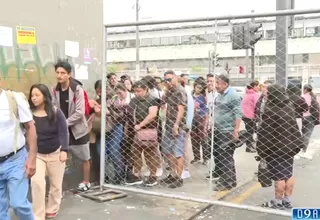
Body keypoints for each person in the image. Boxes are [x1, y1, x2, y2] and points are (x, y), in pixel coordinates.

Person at [257, 84, 303, 209]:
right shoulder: (289, 106)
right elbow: (294, 127)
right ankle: (287, 200)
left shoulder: (271, 109)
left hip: (275, 148)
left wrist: (261, 149)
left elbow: (265, 132)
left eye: (268, 93)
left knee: (278, 176)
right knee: (288, 174)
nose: (266, 96)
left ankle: (277, 202)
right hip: (289, 146)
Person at [29, 84, 69, 220]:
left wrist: (64, 150)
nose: (33, 98)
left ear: (45, 97)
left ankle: (52, 208)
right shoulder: (29, 114)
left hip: (55, 153)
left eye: (37, 95)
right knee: (37, 182)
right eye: (32, 95)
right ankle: (38, 214)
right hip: (38, 155)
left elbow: (64, 131)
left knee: (56, 185)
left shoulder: (56, 112)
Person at [0, 76, 37, 220]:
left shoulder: (14, 99)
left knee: (18, 204)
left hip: (14, 160)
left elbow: (30, 127)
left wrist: (32, 159)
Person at [52, 60, 91, 192]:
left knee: (85, 157)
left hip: (78, 130)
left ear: (69, 74)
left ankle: (86, 181)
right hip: (62, 132)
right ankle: (59, 186)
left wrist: (64, 123)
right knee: (60, 158)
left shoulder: (77, 89)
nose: (59, 75)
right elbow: (54, 108)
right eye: (57, 72)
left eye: (63, 73)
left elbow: (80, 112)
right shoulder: (55, 89)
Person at [125, 81, 161, 186]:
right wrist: (128, 129)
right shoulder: (134, 100)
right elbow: (129, 115)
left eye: (139, 91)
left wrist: (140, 125)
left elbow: (152, 115)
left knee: (150, 154)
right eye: (135, 91)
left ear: (145, 90)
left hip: (148, 130)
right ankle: (137, 174)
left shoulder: (152, 100)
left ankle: (153, 175)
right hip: (135, 131)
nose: (136, 93)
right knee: (135, 154)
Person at [210, 74, 241, 191]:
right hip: (219, 130)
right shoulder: (220, 95)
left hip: (227, 131)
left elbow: (238, 113)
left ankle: (227, 182)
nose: (216, 86)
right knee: (223, 156)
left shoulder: (232, 95)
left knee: (225, 156)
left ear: (225, 84)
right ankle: (230, 179)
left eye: (218, 83)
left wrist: (236, 130)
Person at [161, 70, 188, 188]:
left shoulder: (180, 91)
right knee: (168, 151)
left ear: (176, 78)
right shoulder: (169, 91)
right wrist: (166, 90)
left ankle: (179, 177)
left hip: (178, 125)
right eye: (166, 80)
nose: (168, 82)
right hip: (169, 124)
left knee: (178, 152)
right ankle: (172, 174)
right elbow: (163, 103)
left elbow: (181, 109)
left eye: (170, 79)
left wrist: (176, 125)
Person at [299, 84, 319, 159]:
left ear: (305, 90)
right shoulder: (313, 97)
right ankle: (303, 150)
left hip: (303, 117)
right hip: (311, 118)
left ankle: (300, 149)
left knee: (303, 134)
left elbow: (300, 108)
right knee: (307, 135)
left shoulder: (302, 97)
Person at [190, 78, 208, 164]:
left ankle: (205, 158)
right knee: (194, 138)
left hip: (202, 118)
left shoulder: (204, 96)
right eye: (197, 87)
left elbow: (207, 105)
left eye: (201, 88)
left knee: (203, 138)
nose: (198, 89)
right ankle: (196, 156)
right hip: (192, 118)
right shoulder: (190, 95)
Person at [241, 80, 260, 153]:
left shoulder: (247, 93)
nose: (258, 87)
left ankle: (250, 145)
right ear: (254, 86)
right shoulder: (254, 95)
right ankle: (249, 146)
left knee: (250, 130)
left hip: (244, 115)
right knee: (250, 131)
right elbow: (257, 105)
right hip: (250, 115)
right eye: (257, 86)